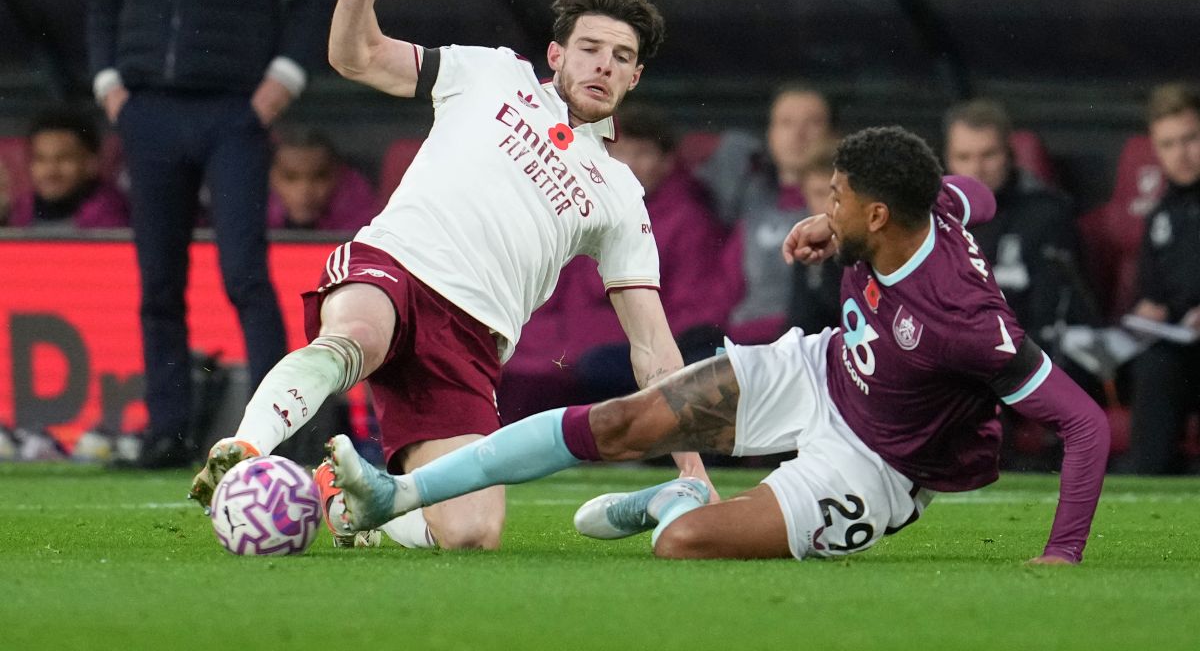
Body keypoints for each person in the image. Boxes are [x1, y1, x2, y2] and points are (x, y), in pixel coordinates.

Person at [324, 126, 1109, 565]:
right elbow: (978, 194)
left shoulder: (966, 323)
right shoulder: (927, 206)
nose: (819, 206)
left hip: (880, 465)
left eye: (834, 199)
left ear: (876, 217)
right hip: (823, 369)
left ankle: (681, 502)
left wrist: (1063, 554)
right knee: (622, 422)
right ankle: (401, 496)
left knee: (686, 548)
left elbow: (1086, 424)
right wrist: (826, 228)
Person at [188, 0, 715, 551]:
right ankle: (245, 450)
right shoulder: (490, 73)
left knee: (471, 535)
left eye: (621, 57)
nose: (603, 65)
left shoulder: (621, 192)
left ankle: (340, 502)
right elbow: (355, 58)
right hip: (398, 266)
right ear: (556, 54)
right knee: (355, 335)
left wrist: (694, 472)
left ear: (635, 79)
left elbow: (653, 345)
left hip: (470, 341)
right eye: (589, 48)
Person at [88, 0, 336, 467]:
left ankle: (276, 432)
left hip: (233, 113)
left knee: (245, 276)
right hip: (148, 113)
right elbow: (99, 0)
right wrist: (109, 87)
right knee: (158, 283)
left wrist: (281, 82)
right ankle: (166, 434)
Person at [501, 105, 731, 420]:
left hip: (629, 351)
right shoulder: (579, 209)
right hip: (564, 346)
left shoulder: (688, 221)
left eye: (643, 153)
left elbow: (693, 313)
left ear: (666, 162)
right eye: (620, 151)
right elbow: (546, 295)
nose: (630, 164)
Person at [942, 100, 1097, 359]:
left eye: (988, 155)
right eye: (964, 157)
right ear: (948, 161)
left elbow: (1049, 322)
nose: (976, 170)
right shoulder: (930, 218)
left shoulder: (1047, 215)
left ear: (1010, 155)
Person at [700, 83, 836, 344]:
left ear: (832, 133)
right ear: (769, 133)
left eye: (813, 123)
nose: (799, 135)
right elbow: (722, 292)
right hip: (739, 340)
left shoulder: (841, 211)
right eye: (786, 123)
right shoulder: (752, 205)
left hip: (800, 345)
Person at [1125, 84, 1200, 474]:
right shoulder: (1162, 215)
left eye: (1190, 139)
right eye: (1168, 144)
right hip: (1183, 350)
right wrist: (1149, 310)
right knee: (1154, 365)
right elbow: (1151, 294)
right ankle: (1149, 481)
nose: (1181, 154)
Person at [5, 109, 129, 230]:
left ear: (90, 163)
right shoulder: (17, 211)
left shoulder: (112, 219)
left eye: (63, 159)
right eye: (40, 159)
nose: (50, 171)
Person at [268, 127, 377, 232]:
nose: (305, 190)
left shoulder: (366, 223)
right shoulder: (254, 216)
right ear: (271, 176)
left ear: (337, 175)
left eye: (320, 176)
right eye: (290, 177)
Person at [785, 142, 840, 335]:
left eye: (834, 194)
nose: (827, 204)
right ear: (804, 194)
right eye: (818, 194)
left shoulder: (864, 248)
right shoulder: (805, 243)